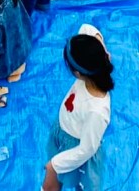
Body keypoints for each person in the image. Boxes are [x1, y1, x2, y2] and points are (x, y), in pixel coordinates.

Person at [42, 24, 113, 191]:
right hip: (63, 131)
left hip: (76, 149)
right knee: (58, 174)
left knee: (75, 180)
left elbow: (86, 149)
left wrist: (55, 164)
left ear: (78, 73)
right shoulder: (93, 70)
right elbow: (87, 28)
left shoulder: (96, 111)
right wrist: (100, 46)